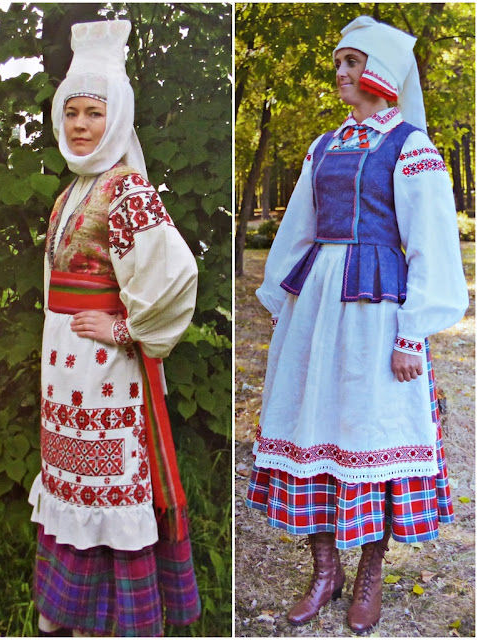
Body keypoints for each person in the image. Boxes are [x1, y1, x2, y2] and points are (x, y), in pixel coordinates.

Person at [245, 15, 468, 634]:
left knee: (370, 432)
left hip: (377, 310)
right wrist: (287, 307)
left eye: (351, 62)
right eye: (338, 62)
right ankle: (325, 570)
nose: (339, 73)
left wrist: (410, 333)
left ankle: (369, 572)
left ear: (381, 71)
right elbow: (299, 226)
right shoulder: (326, 144)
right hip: (319, 305)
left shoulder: (411, 149)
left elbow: (428, 245)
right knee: (309, 418)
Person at [28, 20, 201, 637]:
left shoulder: (126, 190)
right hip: (65, 378)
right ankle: (69, 613)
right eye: (70, 112)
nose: (80, 125)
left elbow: (174, 274)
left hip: (104, 376)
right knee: (71, 485)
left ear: (119, 116)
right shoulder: (75, 189)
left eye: (94, 113)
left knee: (103, 488)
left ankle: (108, 621)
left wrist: (129, 327)